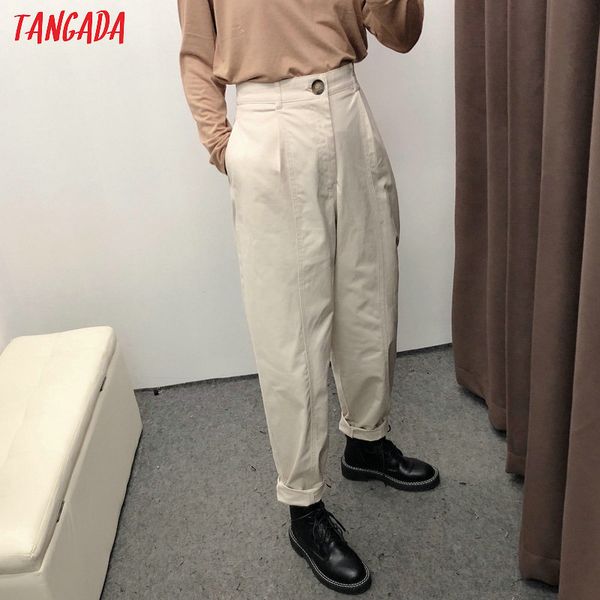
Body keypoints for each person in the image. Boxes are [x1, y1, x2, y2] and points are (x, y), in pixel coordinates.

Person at [176, 0, 439, 594]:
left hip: (348, 108)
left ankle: (366, 443)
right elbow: (196, 50)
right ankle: (303, 506)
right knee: (289, 334)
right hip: (268, 124)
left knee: (371, 298)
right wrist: (221, 144)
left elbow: (401, 34)